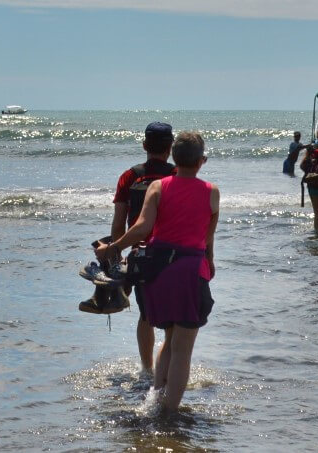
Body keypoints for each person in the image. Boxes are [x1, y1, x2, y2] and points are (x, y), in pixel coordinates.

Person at [95, 132, 219, 412]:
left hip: (159, 273)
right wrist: (210, 264)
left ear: (175, 158)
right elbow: (207, 239)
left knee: (169, 338)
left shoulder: (158, 188)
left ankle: (154, 398)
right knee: (182, 349)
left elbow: (141, 228)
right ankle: (167, 414)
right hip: (190, 271)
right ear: (201, 161)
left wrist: (113, 248)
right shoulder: (212, 191)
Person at [81, 122, 177, 373]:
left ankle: (147, 370)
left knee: (146, 316)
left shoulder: (130, 176)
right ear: (171, 147)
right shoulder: (179, 175)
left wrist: (116, 255)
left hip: (140, 253)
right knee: (171, 317)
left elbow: (119, 221)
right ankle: (169, 368)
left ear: (144, 145)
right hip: (173, 253)